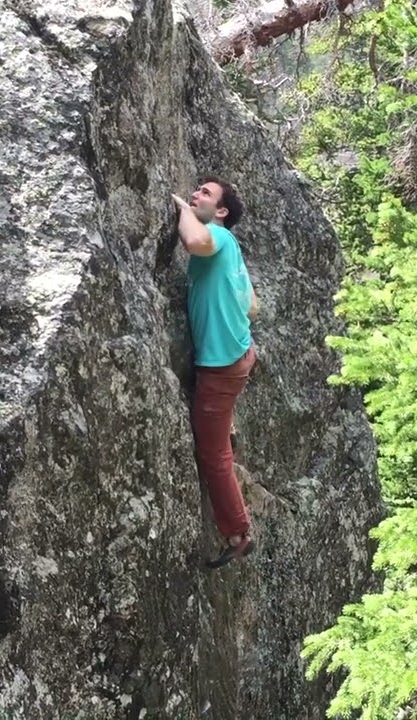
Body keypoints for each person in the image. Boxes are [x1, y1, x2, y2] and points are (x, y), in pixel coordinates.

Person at [171, 177, 260, 569]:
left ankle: (239, 532)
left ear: (220, 212)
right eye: (195, 192)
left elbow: (194, 243)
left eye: (205, 194)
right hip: (239, 353)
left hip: (222, 366)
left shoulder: (218, 238)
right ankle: (227, 426)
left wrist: (184, 213)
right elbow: (253, 306)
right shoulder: (232, 248)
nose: (195, 195)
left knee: (213, 456)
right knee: (219, 431)